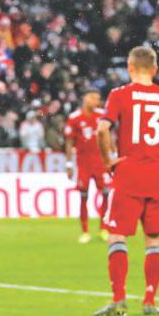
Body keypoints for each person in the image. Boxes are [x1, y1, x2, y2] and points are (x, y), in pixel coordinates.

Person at [94, 46, 159, 316]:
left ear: (130, 68)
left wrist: (108, 160)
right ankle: (150, 300)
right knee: (154, 240)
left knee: (117, 236)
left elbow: (102, 129)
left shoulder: (120, 95)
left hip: (128, 176)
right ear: (155, 69)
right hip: (157, 178)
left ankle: (119, 299)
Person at [64, 88, 112, 244]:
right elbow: (69, 141)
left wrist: (112, 155)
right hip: (83, 163)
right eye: (93, 97)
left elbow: (108, 136)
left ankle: (104, 229)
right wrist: (69, 163)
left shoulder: (102, 115)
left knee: (106, 193)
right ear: (85, 98)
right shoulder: (74, 117)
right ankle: (85, 231)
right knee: (83, 196)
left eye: (98, 98)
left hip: (101, 161)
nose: (96, 101)